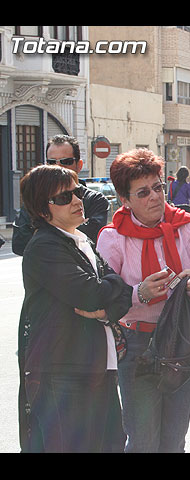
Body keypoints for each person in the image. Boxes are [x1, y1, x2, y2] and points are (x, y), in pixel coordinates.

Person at [96, 148, 190, 452]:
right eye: (143, 192)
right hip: (136, 343)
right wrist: (140, 292)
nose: (154, 197)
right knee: (142, 441)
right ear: (124, 200)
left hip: (182, 340)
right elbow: (104, 297)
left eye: (158, 187)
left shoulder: (186, 226)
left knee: (174, 439)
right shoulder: (113, 237)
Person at [18, 165, 132, 452]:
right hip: (63, 370)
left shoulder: (82, 242)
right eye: (64, 197)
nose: (76, 201)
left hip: (96, 364)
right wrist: (112, 287)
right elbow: (90, 295)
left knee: (111, 444)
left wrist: (108, 306)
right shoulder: (44, 246)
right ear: (44, 211)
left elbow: (124, 293)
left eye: (77, 192)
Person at [12, 134, 110, 255]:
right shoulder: (36, 198)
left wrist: (42, 230)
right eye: (52, 162)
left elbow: (90, 238)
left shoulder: (95, 199)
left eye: (66, 162)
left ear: (79, 165)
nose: (58, 168)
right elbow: (19, 243)